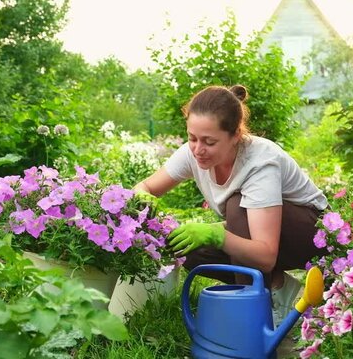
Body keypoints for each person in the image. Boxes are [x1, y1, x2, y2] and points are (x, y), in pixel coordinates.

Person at [134, 84, 328, 324]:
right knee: (187, 248)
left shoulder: (259, 162)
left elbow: (266, 255)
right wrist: (142, 196)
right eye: (192, 138)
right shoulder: (192, 152)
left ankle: (257, 316)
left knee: (237, 206)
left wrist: (218, 235)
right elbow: (146, 186)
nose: (198, 149)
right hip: (262, 232)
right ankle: (278, 287)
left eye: (209, 142)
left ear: (236, 135)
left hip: (312, 236)